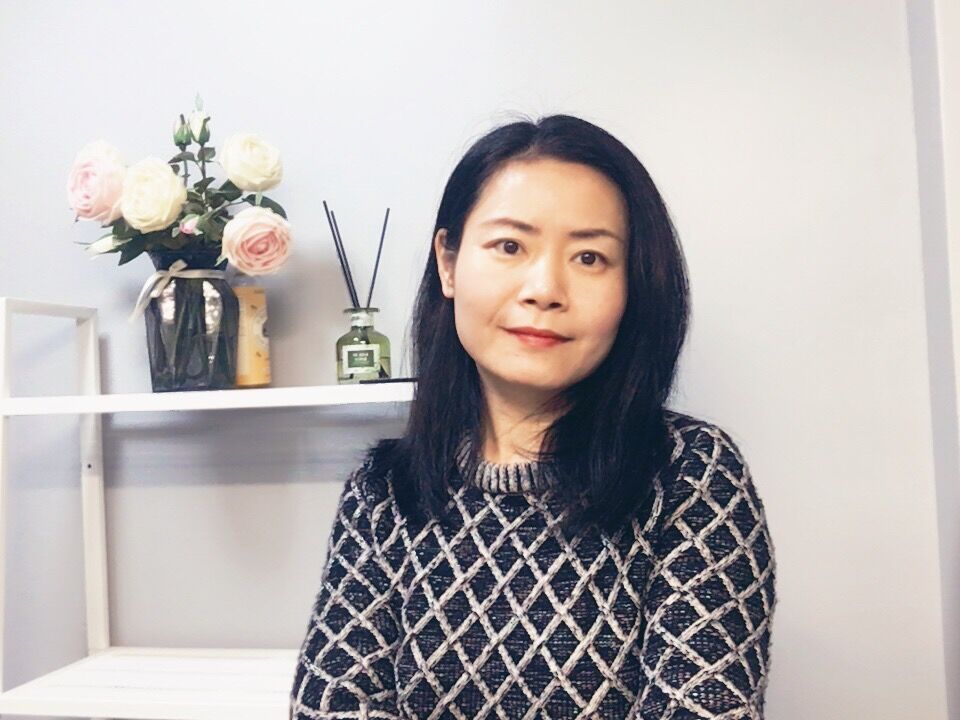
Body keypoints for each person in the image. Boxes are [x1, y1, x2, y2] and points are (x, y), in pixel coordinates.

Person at [290, 114, 777, 719]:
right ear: (448, 263)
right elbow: (332, 707)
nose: (545, 288)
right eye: (510, 246)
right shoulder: (383, 490)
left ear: (633, 287)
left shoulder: (690, 474)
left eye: (590, 257)